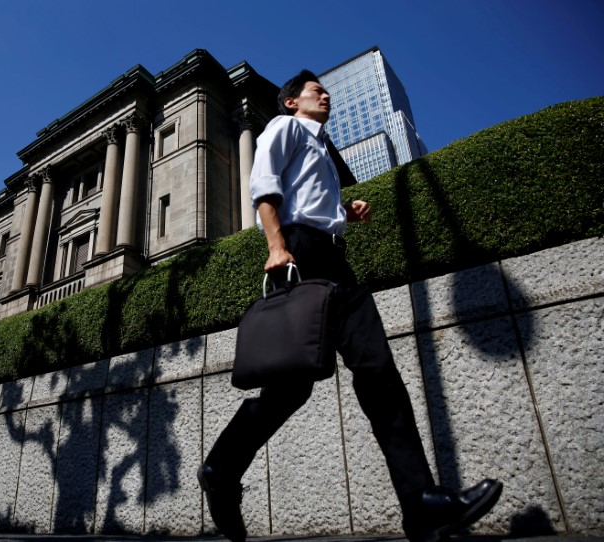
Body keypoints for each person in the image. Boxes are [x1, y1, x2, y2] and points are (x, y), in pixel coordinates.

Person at [197, 70, 503, 542]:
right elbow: (264, 186)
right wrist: (277, 247)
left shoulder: (320, 147)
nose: (326, 96)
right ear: (291, 102)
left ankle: (420, 503)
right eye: (317, 91)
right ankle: (221, 470)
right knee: (289, 392)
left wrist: (344, 213)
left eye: (326, 92)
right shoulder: (284, 128)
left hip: (334, 261)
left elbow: (311, 200)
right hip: (299, 258)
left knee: (378, 373)